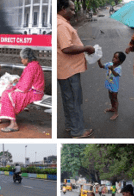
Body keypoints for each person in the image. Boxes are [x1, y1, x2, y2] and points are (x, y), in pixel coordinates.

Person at [57, 0, 95, 138]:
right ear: (63, 8)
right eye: (72, 9)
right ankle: (77, 131)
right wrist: (87, 48)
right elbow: (66, 48)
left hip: (65, 69)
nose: (74, 12)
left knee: (68, 99)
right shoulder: (60, 24)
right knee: (74, 100)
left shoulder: (61, 22)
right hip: (69, 69)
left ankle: (70, 125)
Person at [0, 48, 44, 133]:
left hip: (35, 92)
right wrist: (16, 85)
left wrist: (14, 88)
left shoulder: (31, 67)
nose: (21, 61)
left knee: (9, 95)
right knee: (6, 93)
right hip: (34, 90)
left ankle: (14, 124)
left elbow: (24, 87)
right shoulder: (33, 65)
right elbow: (26, 81)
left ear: (26, 59)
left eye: (22, 59)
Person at [97, 51, 126, 120]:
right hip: (109, 85)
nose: (113, 59)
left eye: (116, 58)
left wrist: (112, 69)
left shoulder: (119, 68)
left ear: (120, 62)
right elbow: (101, 66)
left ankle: (116, 113)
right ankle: (113, 108)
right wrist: (98, 60)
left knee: (114, 99)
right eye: (113, 57)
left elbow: (116, 74)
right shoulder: (110, 64)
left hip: (114, 87)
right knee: (110, 97)